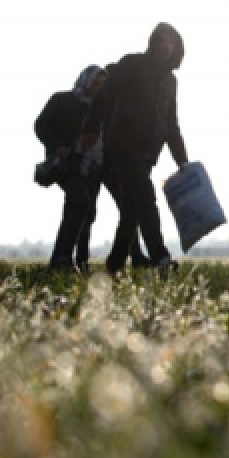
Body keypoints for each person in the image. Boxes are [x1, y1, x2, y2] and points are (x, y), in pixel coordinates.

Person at [81, 23, 190, 272]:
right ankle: (160, 256)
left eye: (171, 42)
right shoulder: (132, 65)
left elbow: (171, 123)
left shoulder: (171, 82)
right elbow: (104, 95)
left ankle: (115, 263)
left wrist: (182, 160)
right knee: (145, 196)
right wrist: (90, 128)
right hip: (122, 145)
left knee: (131, 210)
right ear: (153, 43)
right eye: (162, 41)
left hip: (148, 153)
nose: (166, 46)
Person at [35, 65, 106, 272]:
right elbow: (41, 125)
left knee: (82, 211)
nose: (97, 88)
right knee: (81, 200)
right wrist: (57, 146)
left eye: (102, 85)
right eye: (95, 83)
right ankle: (64, 257)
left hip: (91, 166)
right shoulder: (62, 100)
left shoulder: (101, 108)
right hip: (66, 165)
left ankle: (66, 259)